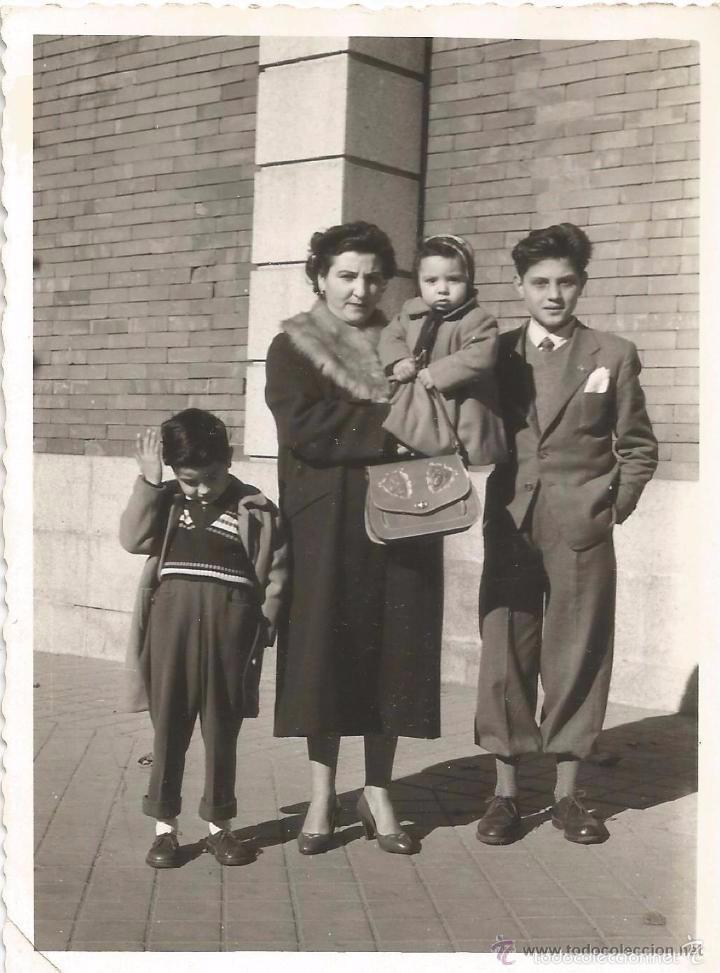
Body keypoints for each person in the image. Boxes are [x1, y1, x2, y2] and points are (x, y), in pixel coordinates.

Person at [474, 223, 658, 846]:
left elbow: (638, 448)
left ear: (581, 283)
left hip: (581, 526)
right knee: (506, 656)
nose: (553, 295)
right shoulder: (495, 354)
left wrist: (612, 508)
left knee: (577, 653)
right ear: (520, 287)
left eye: (566, 281)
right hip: (510, 522)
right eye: (540, 283)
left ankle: (567, 796)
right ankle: (504, 795)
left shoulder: (612, 353)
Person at [265, 221, 443, 856]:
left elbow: (444, 415)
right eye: (345, 274)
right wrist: (391, 424)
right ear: (319, 277)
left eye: (372, 276)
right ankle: (321, 794)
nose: (360, 288)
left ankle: (378, 791)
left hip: (402, 517)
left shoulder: (408, 344)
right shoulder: (294, 346)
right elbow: (304, 426)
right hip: (326, 523)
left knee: (394, 651)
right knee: (324, 655)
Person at [120, 409, 287, 868]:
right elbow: (132, 539)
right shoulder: (169, 499)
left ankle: (220, 828)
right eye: (189, 479)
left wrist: (264, 626)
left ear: (228, 460)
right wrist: (151, 482)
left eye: (210, 477)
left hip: (230, 629)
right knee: (168, 728)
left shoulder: (254, 505)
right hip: (170, 627)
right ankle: (165, 830)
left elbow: (277, 573)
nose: (201, 489)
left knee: (221, 729)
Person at [379, 233, 506, 466]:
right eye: (431, 281)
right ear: (418, 282)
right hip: (422, 413)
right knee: (417, 462)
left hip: (463, 412)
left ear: (469, 281)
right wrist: (399, 361)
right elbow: (390, 336)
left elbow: (481, 354)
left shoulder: (477, 319)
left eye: (454, 280)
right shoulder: (410, 312)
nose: (442, 289)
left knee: (468, 469)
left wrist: (438, 373)